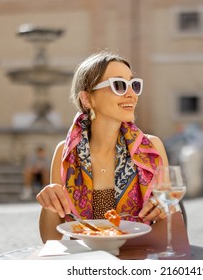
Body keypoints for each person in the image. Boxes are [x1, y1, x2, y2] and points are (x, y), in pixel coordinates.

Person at [36, 51, 169, 242]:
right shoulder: (65, 153)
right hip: (85, 262)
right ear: (87, 99)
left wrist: (164, 208)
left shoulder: (151, 149)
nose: (131, 94)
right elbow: (51, 239)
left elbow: (168, 228)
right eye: (119, 85)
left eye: (134, 85)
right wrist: (49, 203)